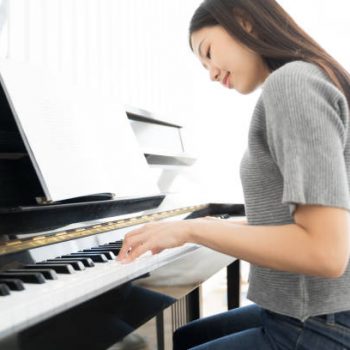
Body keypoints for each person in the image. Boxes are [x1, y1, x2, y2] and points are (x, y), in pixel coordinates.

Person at [118, 0, 350, 348]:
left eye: (208, 52)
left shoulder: (292, 84)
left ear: (246, 22)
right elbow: (299, 226)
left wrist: (192, 229)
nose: (210, 72)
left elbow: (324, 252)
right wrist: (202, 229)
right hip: (319, 310)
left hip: (321, 320)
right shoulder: (308, 77)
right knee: (187, 336)